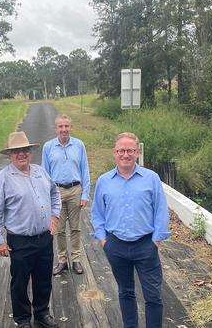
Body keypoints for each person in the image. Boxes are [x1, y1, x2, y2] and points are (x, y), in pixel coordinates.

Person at [91, 132, 170, 328]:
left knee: (153, 295)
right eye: (121, 150)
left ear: (137, 152)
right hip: (116, 245)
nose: (125, 154)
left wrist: (156, 240)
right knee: (125, 292)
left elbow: (161, 210)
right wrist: (103, 240)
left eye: (130, 150)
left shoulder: (151, 178)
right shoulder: (104, 181)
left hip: (146, 245)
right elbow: (97, 213)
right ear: (114, 153)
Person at [0, 131, 62, 328]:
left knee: (43, 278)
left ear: (30, 152)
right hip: (20, 240)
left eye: (25, 150)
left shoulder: (40, 171)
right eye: (16, 151)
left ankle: (41, 313)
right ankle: (22, 319)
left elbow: (55, 193)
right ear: (10, 155)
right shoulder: (1, 179)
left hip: (45, 237)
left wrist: (55, 215)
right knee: (19, 282)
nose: (22, 154)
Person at [41, 114, 90, 275]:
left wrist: (85, 194)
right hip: (56, 192)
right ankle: (62, 260)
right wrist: (47, 196)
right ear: (56, 128)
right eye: (60, 127)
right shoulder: (48, 147)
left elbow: (85, 170)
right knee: (59, 229)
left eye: (66, 126)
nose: (64, 129)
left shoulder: (79, 145)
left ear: (70, 127)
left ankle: (76, 259)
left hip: (75, 190)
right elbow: (45, 173)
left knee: (75, 228)